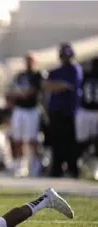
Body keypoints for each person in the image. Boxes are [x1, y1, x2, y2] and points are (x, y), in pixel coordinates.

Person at [43, 43, 82, 178]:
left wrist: (56, 85)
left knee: (70, 142)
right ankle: (57, 170)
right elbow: (46, 84)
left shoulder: (74, 69)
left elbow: (65, 86)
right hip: (55, 111)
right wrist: (56, 85)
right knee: (56, 142)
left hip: (69, 111)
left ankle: (72, 169)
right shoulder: (58, 70)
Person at [7, 53, 47, 177]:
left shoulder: (38, 75)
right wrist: (18, 94)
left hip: (32, 109)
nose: (29, 63)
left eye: (31, 60)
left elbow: (33, 91)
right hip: (19, 109)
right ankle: (20, 165)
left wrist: (22, 93)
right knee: (17, 138)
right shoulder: (20, 75)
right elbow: (12, 91)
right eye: (27, 60)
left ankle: (34, 165)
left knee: (32, 139)